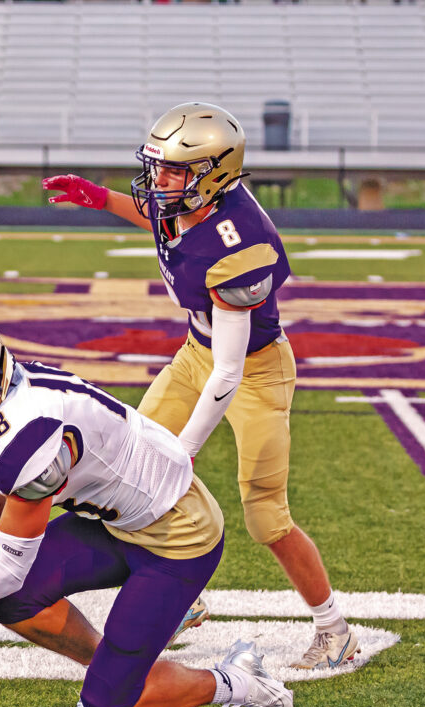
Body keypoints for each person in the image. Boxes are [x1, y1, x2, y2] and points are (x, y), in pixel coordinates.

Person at [0, 315, 293, 707]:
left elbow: (8, 570)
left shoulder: (28, 440)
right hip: (120, 521)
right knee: (14, 603)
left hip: (177, 538)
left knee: (112, 706)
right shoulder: (0, 398)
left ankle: (242, 681)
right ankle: (115, 668)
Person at [41, 103, 359, 671]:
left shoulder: (239, 244)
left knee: (266, 516)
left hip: (255, 371)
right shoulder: (187, 200)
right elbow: (157, 215)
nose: (158, 181)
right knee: (133, 466)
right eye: (157, 167)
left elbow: (230, 373)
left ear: (213, 174)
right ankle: (180, 598)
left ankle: (335, 629)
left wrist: (184, 449)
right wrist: (100, 198)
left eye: (173, 171)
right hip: (195, 354)